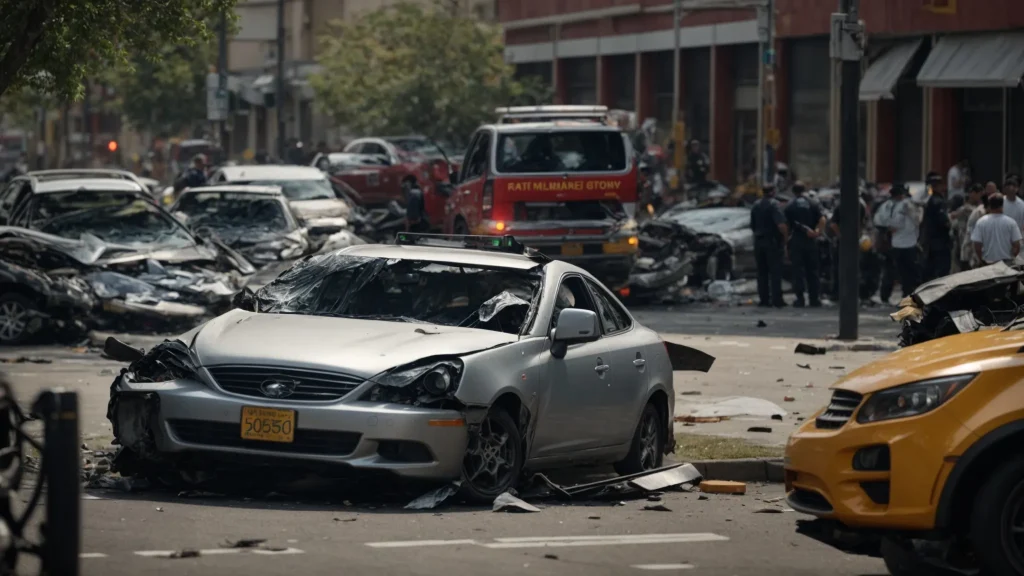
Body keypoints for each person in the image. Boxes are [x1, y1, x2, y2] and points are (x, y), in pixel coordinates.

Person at [783, 181, 824, 307]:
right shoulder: (813, 203)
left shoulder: (789, 205)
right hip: (810, 241)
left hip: (797, 240)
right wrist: (817, 232)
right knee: (813, 270)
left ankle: (800, 299)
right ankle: (814, 299)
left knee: (798, 271)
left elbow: (785, 225)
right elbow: (822, 219)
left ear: (793, 191)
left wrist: (785, 242)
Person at [750, 183, 788, 308]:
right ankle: (777, 300)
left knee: (762, 272)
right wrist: (786, 238)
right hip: (772, 242)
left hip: (759, 242)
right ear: (773, 192)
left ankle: (764, 300)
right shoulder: (774, 204)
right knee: (775, 272)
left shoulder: (755, 205)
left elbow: (753, 225)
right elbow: (781, 225)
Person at [888, 184, 921, 298]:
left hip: (901, 245)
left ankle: (907, 296)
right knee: (911, 273)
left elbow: (895, 225)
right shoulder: (912, 204)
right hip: (910, 243)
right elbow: (918, 221)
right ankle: (910, 296)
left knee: (904, 273)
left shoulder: (901, 206)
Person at [971, 193, 1022, 265]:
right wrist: (1012, 257)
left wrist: (981, 260)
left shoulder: (981, 222)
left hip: (988, 263)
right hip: (1006, 263)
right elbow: (1017, 245)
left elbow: (977, 245)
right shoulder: (1011, 222)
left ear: (989, 205)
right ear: (1002, 205)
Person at [922, 171, 953, 281]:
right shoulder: (938, 201)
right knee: (942, 270)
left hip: (931, 241)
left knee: (931, 269)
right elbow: (944, 221)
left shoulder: (931, 200)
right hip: (940, 241)